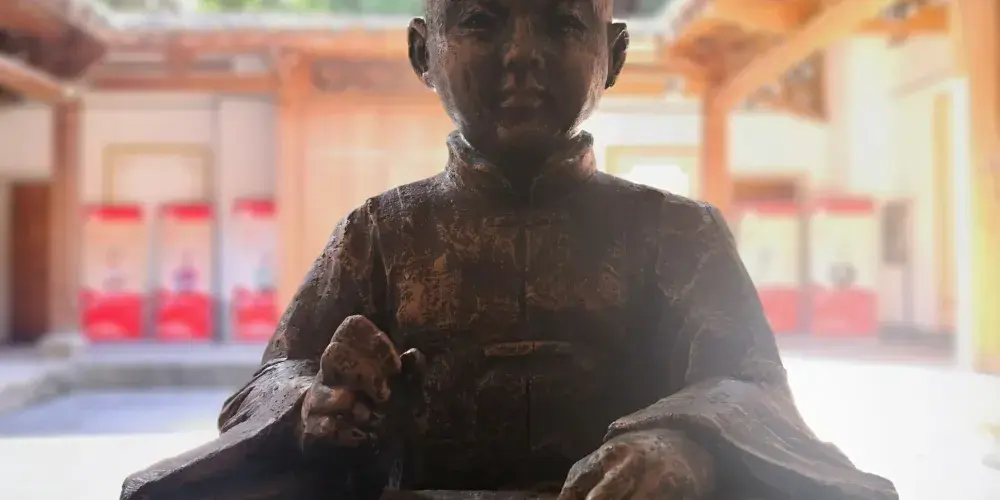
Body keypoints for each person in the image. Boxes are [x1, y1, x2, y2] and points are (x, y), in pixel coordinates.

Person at [121, 0, 898, 499]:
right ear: (423, 51)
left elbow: (752, 389)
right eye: (482, 22)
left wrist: (687, 441)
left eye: (560, 24)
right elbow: (265, 385)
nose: (522, 54)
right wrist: (312, 405)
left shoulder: (679, 233)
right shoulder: (379, 232)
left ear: (613, 54)